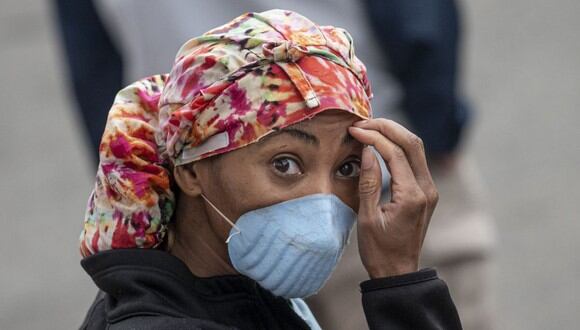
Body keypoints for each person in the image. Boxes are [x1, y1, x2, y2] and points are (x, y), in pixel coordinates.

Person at [78, 10, 461, 329]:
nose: (323, 205)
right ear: (191, 170)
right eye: (285, 164)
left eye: (346, 167)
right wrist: (400, 283)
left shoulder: (253, 302)